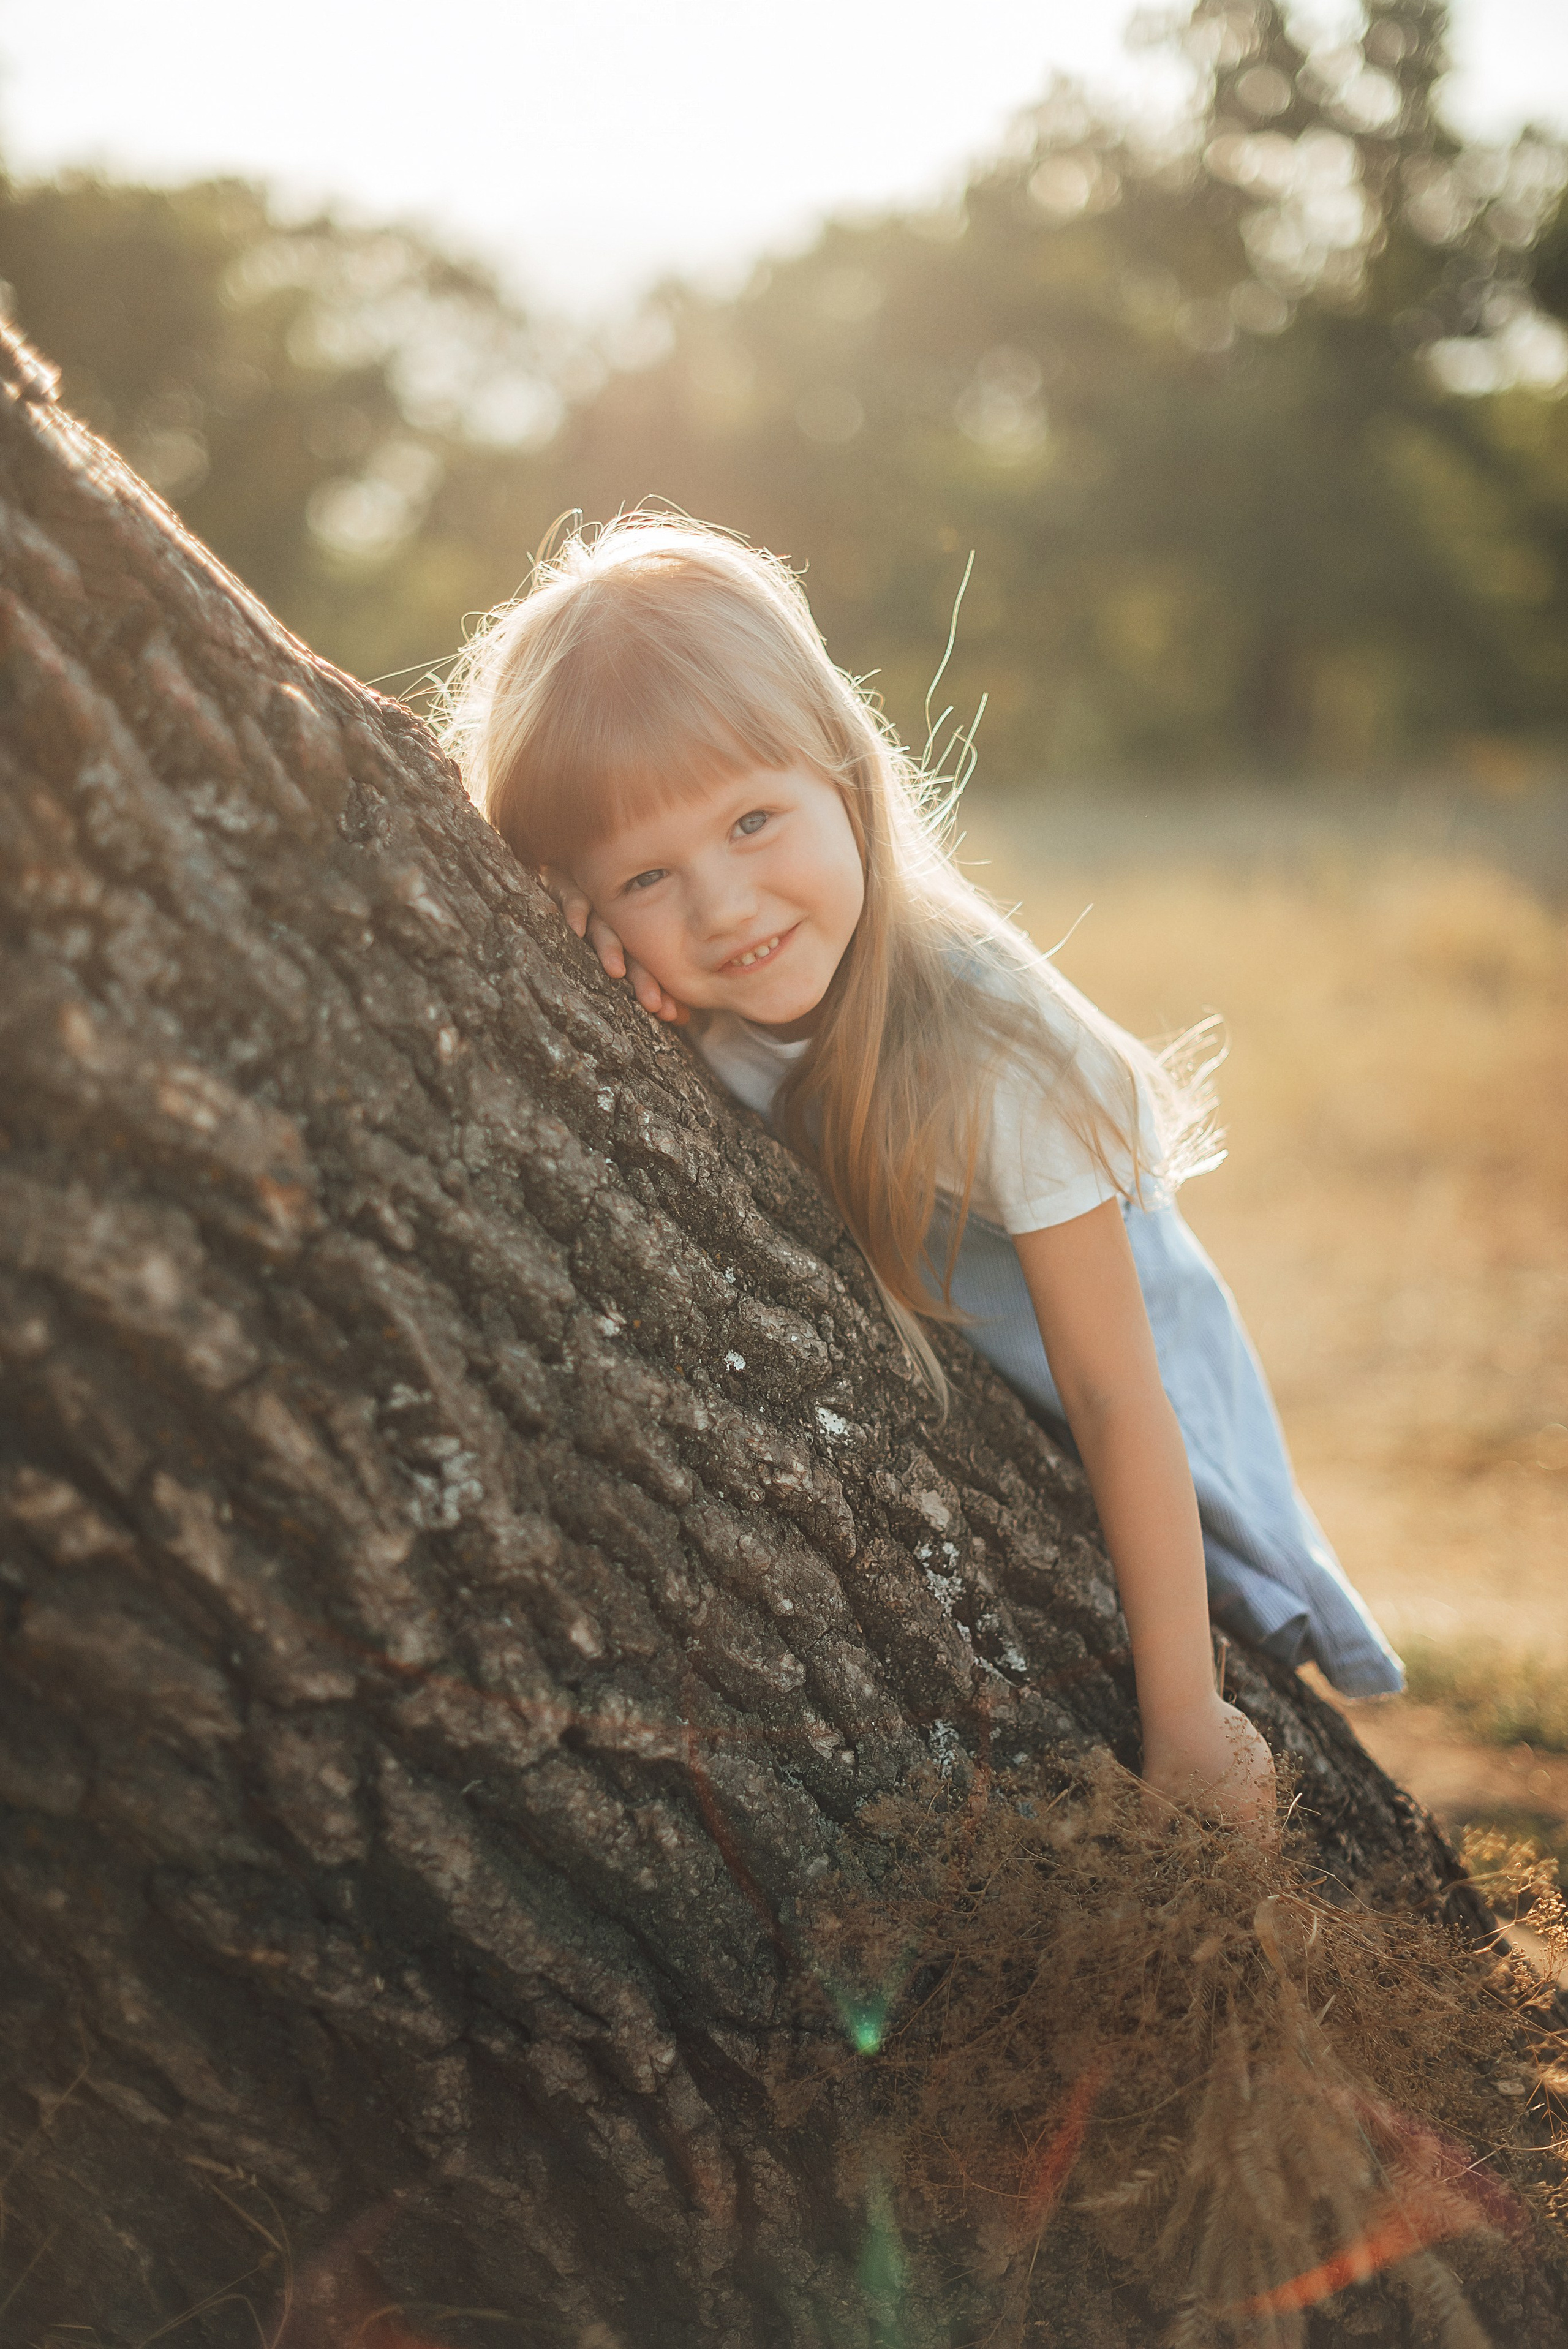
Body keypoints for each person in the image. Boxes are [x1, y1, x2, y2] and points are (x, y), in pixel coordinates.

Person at [442, 516, 1404, 1831]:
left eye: (752, 820)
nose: (724, 907)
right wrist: (556, 945)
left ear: (845, 774)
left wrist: (1183, 1715)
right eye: (649, 875)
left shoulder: (991, 1052)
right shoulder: (673, 994)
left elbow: (1118, 1396)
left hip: (1133, 1422)